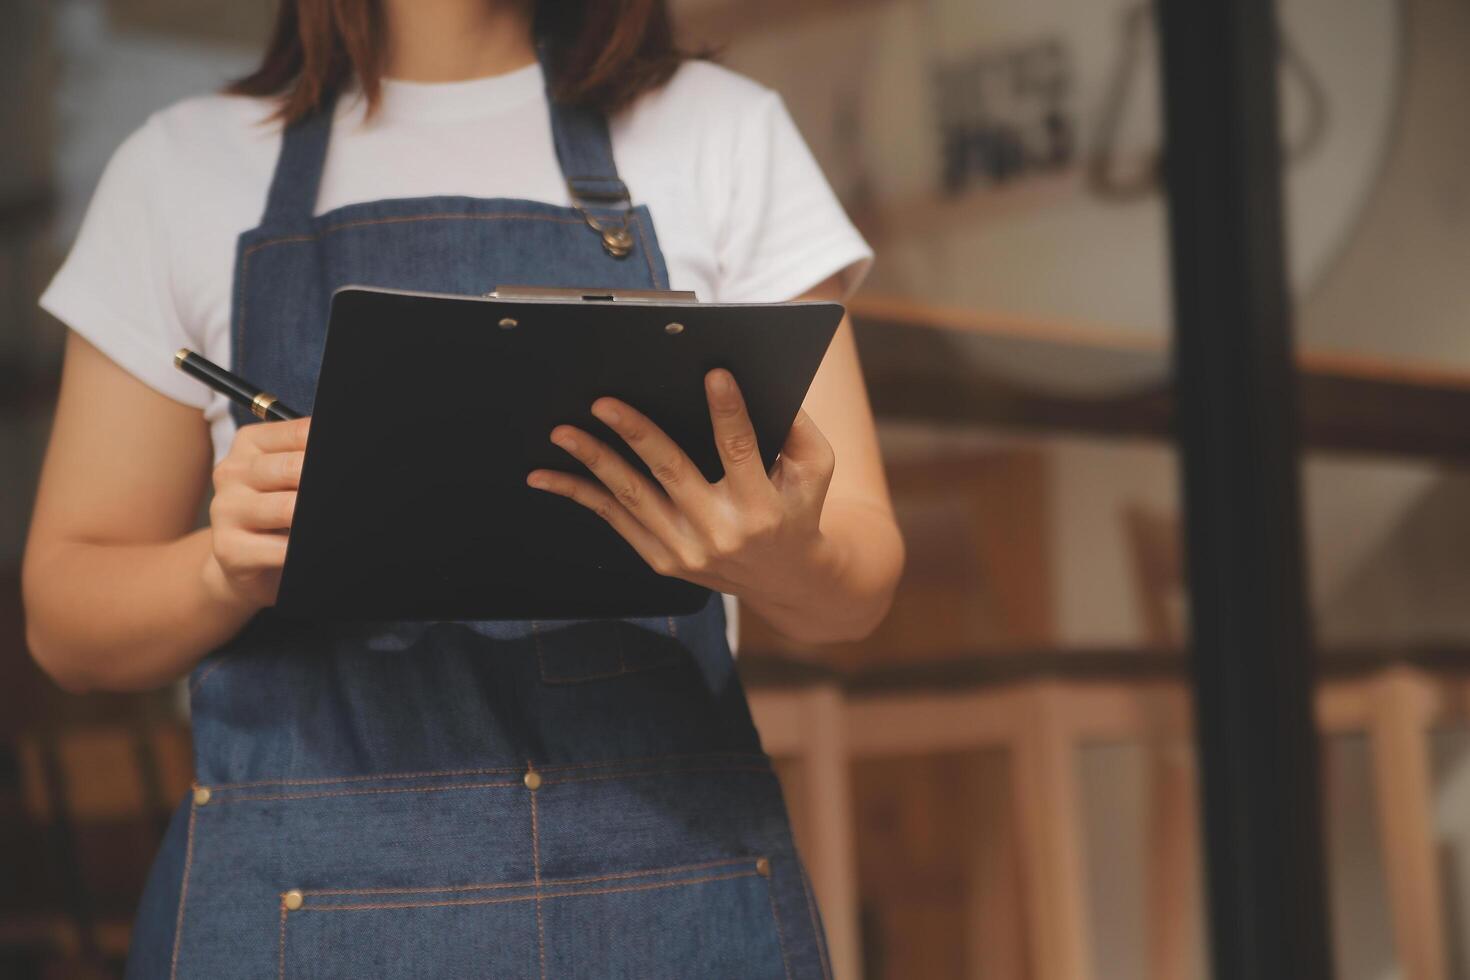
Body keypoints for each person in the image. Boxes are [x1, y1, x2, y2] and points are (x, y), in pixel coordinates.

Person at [22, 0, 905, 975]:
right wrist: (221, 569)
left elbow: (858, 581)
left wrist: (784, 556)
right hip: (302, 913)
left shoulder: (726, 134)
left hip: (667, 887)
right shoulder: (178, 169)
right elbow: (65, 622)